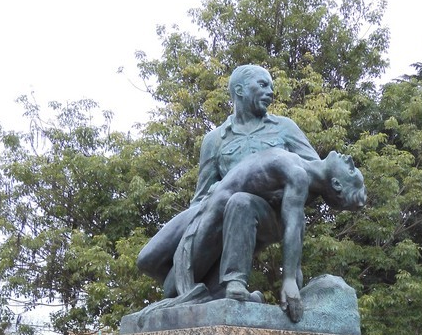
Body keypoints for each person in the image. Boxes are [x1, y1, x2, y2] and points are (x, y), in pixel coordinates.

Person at [137, 64, 321, 300]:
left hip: (269, 215)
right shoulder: (214, 140)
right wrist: (197, 234)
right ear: (240, 90)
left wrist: (283, 193)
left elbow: (315, 176)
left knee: (240, 202)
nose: (271, 92)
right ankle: (207, 289)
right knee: (147, 260)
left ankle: (232, 283)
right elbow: (202, 194)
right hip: (217, 206)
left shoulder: (284, 128)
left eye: (271, 86)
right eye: (263, 84)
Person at [173, 148, 366, 321]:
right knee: (158, 271)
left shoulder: (299, 176)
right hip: (210, 214)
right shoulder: (303, 166)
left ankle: (235, 282)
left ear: (337, 184)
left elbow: (293, 227)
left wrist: (289, 280)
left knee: (241, 203)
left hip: (224, 216)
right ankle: (220, 290)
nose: (349, 158)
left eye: (351, 171)